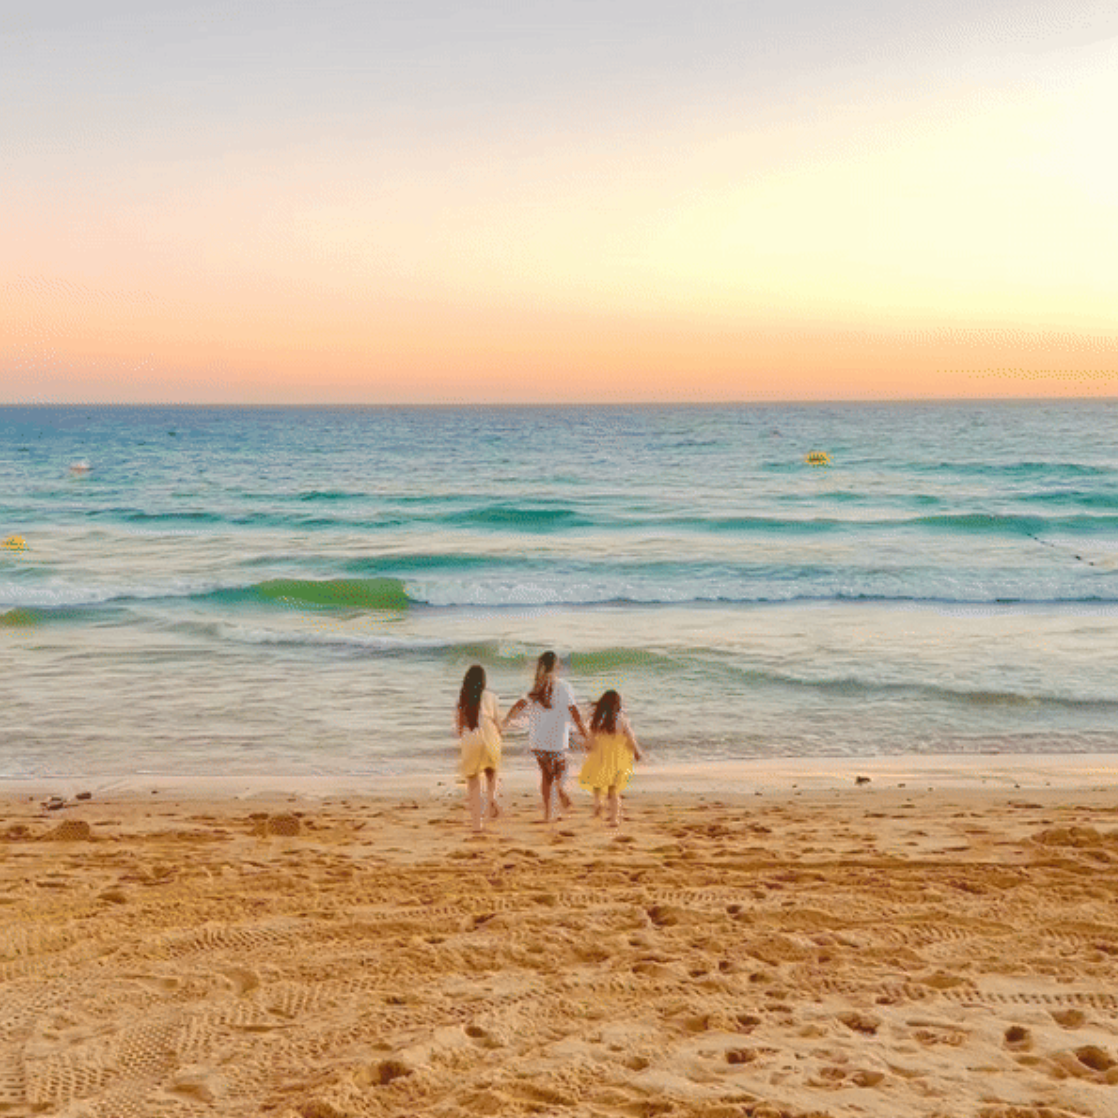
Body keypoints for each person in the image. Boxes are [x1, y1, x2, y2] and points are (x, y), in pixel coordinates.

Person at [504, 651, 588, 822]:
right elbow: (574, 711)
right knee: (561, 769)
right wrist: (584, 731)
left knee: (545, 775)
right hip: (557, 739)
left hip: (538, 740)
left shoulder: (535, 687)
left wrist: (506, 721)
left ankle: (548, 814)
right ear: (557, 666)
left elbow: (518, 706)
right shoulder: (564, 686)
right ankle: (560, 788)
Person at [579, 689, 642, 827]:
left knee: (597, 784)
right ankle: (614, 819)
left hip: (599, 756)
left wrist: (587, 747)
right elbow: (630, 737)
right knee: (614, 790)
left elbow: (589, 741)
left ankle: (598, 803)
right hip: (616, 758)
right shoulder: (621, 719)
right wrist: (637, 752)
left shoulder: (597, 720)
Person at [455, 665, 503, 832]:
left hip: (472, 737)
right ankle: (491, 798)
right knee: (492, 772)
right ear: (483, 681)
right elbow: (498, 723)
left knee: (473, 784)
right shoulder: (491, 696)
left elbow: (459, 727)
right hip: (490, 736)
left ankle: (477, 825)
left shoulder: (463, 699)